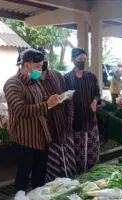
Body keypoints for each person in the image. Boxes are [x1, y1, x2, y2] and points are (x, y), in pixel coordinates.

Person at [4, 49, 60, 191]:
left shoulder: (35, 83)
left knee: (39, 175)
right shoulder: (13, 84)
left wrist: (53, 100)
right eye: (38, 67)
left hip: (41, 137)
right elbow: (20, 110)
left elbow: (41, 101)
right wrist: (46, 105)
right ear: (27, 65)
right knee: (23, 175)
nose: (40, 70)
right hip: (25, 139)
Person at [38, 48, 76, 181]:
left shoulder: (57, 76)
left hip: (64, 128)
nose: (43, 62)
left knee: (69, 166)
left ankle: (71, 188)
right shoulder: (32, 81)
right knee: (51, 170)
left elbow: (68, 97)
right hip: (47, 133)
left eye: (45, 59)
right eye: (39, 61)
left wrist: (70, 118)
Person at [65, 48, 101, 173]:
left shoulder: (91, 77)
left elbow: (97, 93)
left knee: (92, 151)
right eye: (80, 59)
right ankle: (79, 176)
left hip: (90, 119)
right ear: (73, 60)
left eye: (84, 59)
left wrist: (95, 100)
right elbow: (65, 98)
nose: (82, 62)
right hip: (76, 121)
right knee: (77, 151)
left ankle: (92, 174)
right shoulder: (67, 78)